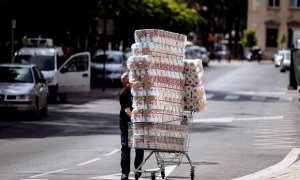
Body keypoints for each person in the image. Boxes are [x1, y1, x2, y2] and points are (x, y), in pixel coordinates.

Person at [119, 72, 144, 180]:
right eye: (124, 83)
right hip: (126, 123)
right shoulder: (123, 94)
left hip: (138, 123)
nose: (127, 84)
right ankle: (125, 172)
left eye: (128, 82)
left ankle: (138, 169)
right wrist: (134, 118)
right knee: (126, 147)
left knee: (139, 147)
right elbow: (127, 110)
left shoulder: (138, 92)